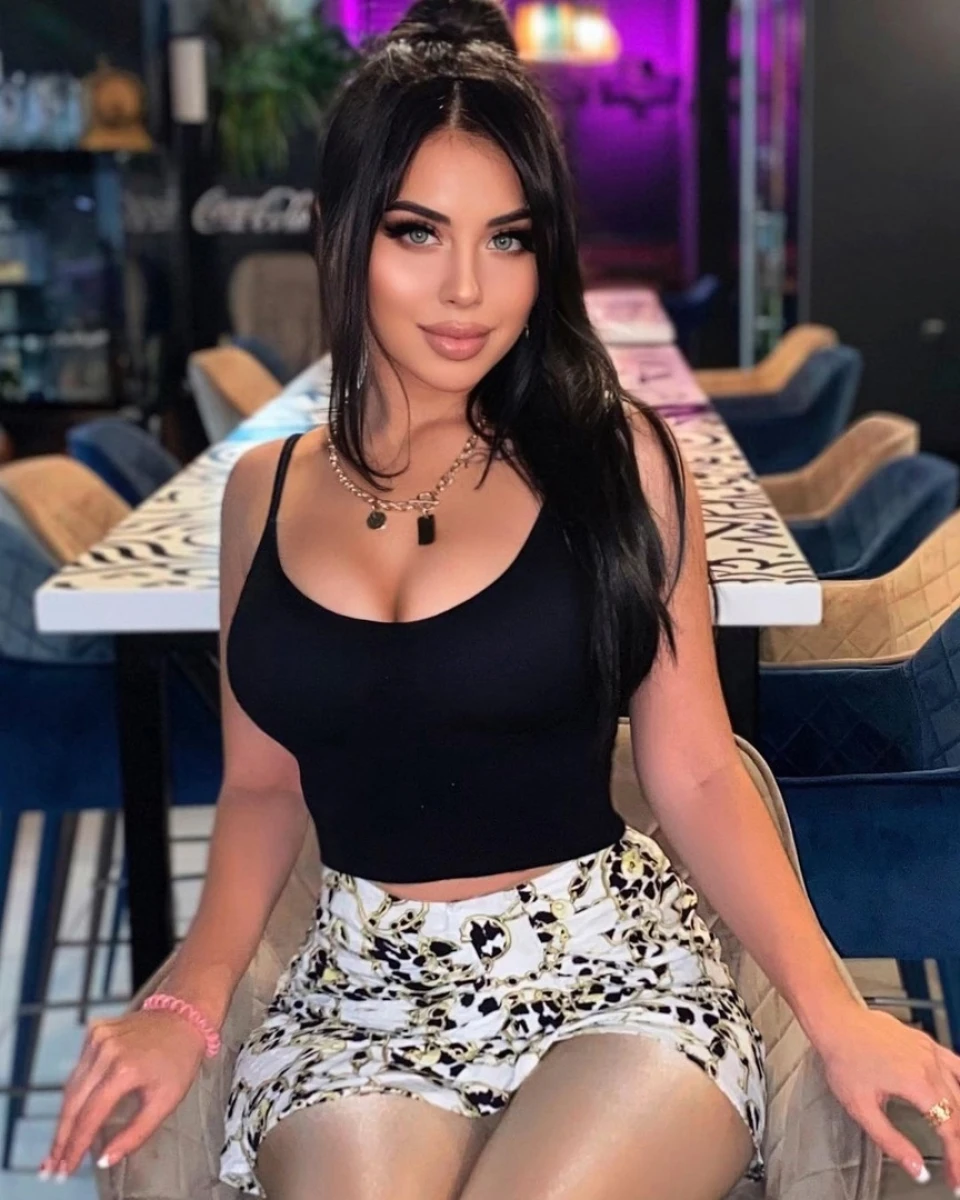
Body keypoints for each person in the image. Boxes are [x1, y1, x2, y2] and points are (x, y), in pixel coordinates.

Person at [44, 2, 960, 1196]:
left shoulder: (621, 459)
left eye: (509, 238)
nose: (468, 289)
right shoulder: (260, 493)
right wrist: (187, 1003)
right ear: (337, 232)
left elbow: (692, 770)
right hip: (360, 995)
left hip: (611, 973)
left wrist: (838, 1014)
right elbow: (263, 787)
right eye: (417, 232)